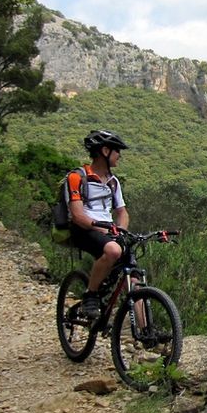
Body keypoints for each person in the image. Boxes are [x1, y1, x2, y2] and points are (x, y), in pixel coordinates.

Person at [69, 130, 130, 319]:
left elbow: (122, 212)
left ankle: (146, 332)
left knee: (132, 272)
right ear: (105, 150)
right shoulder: (77, 177)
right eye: (117, 150)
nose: (119, 155)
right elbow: (78, 216)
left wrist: (120, 232)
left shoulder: (113, 182)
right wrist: (103, 228)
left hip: (108, 232)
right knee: (113, 251)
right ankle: (90, 294)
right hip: (83, 230)